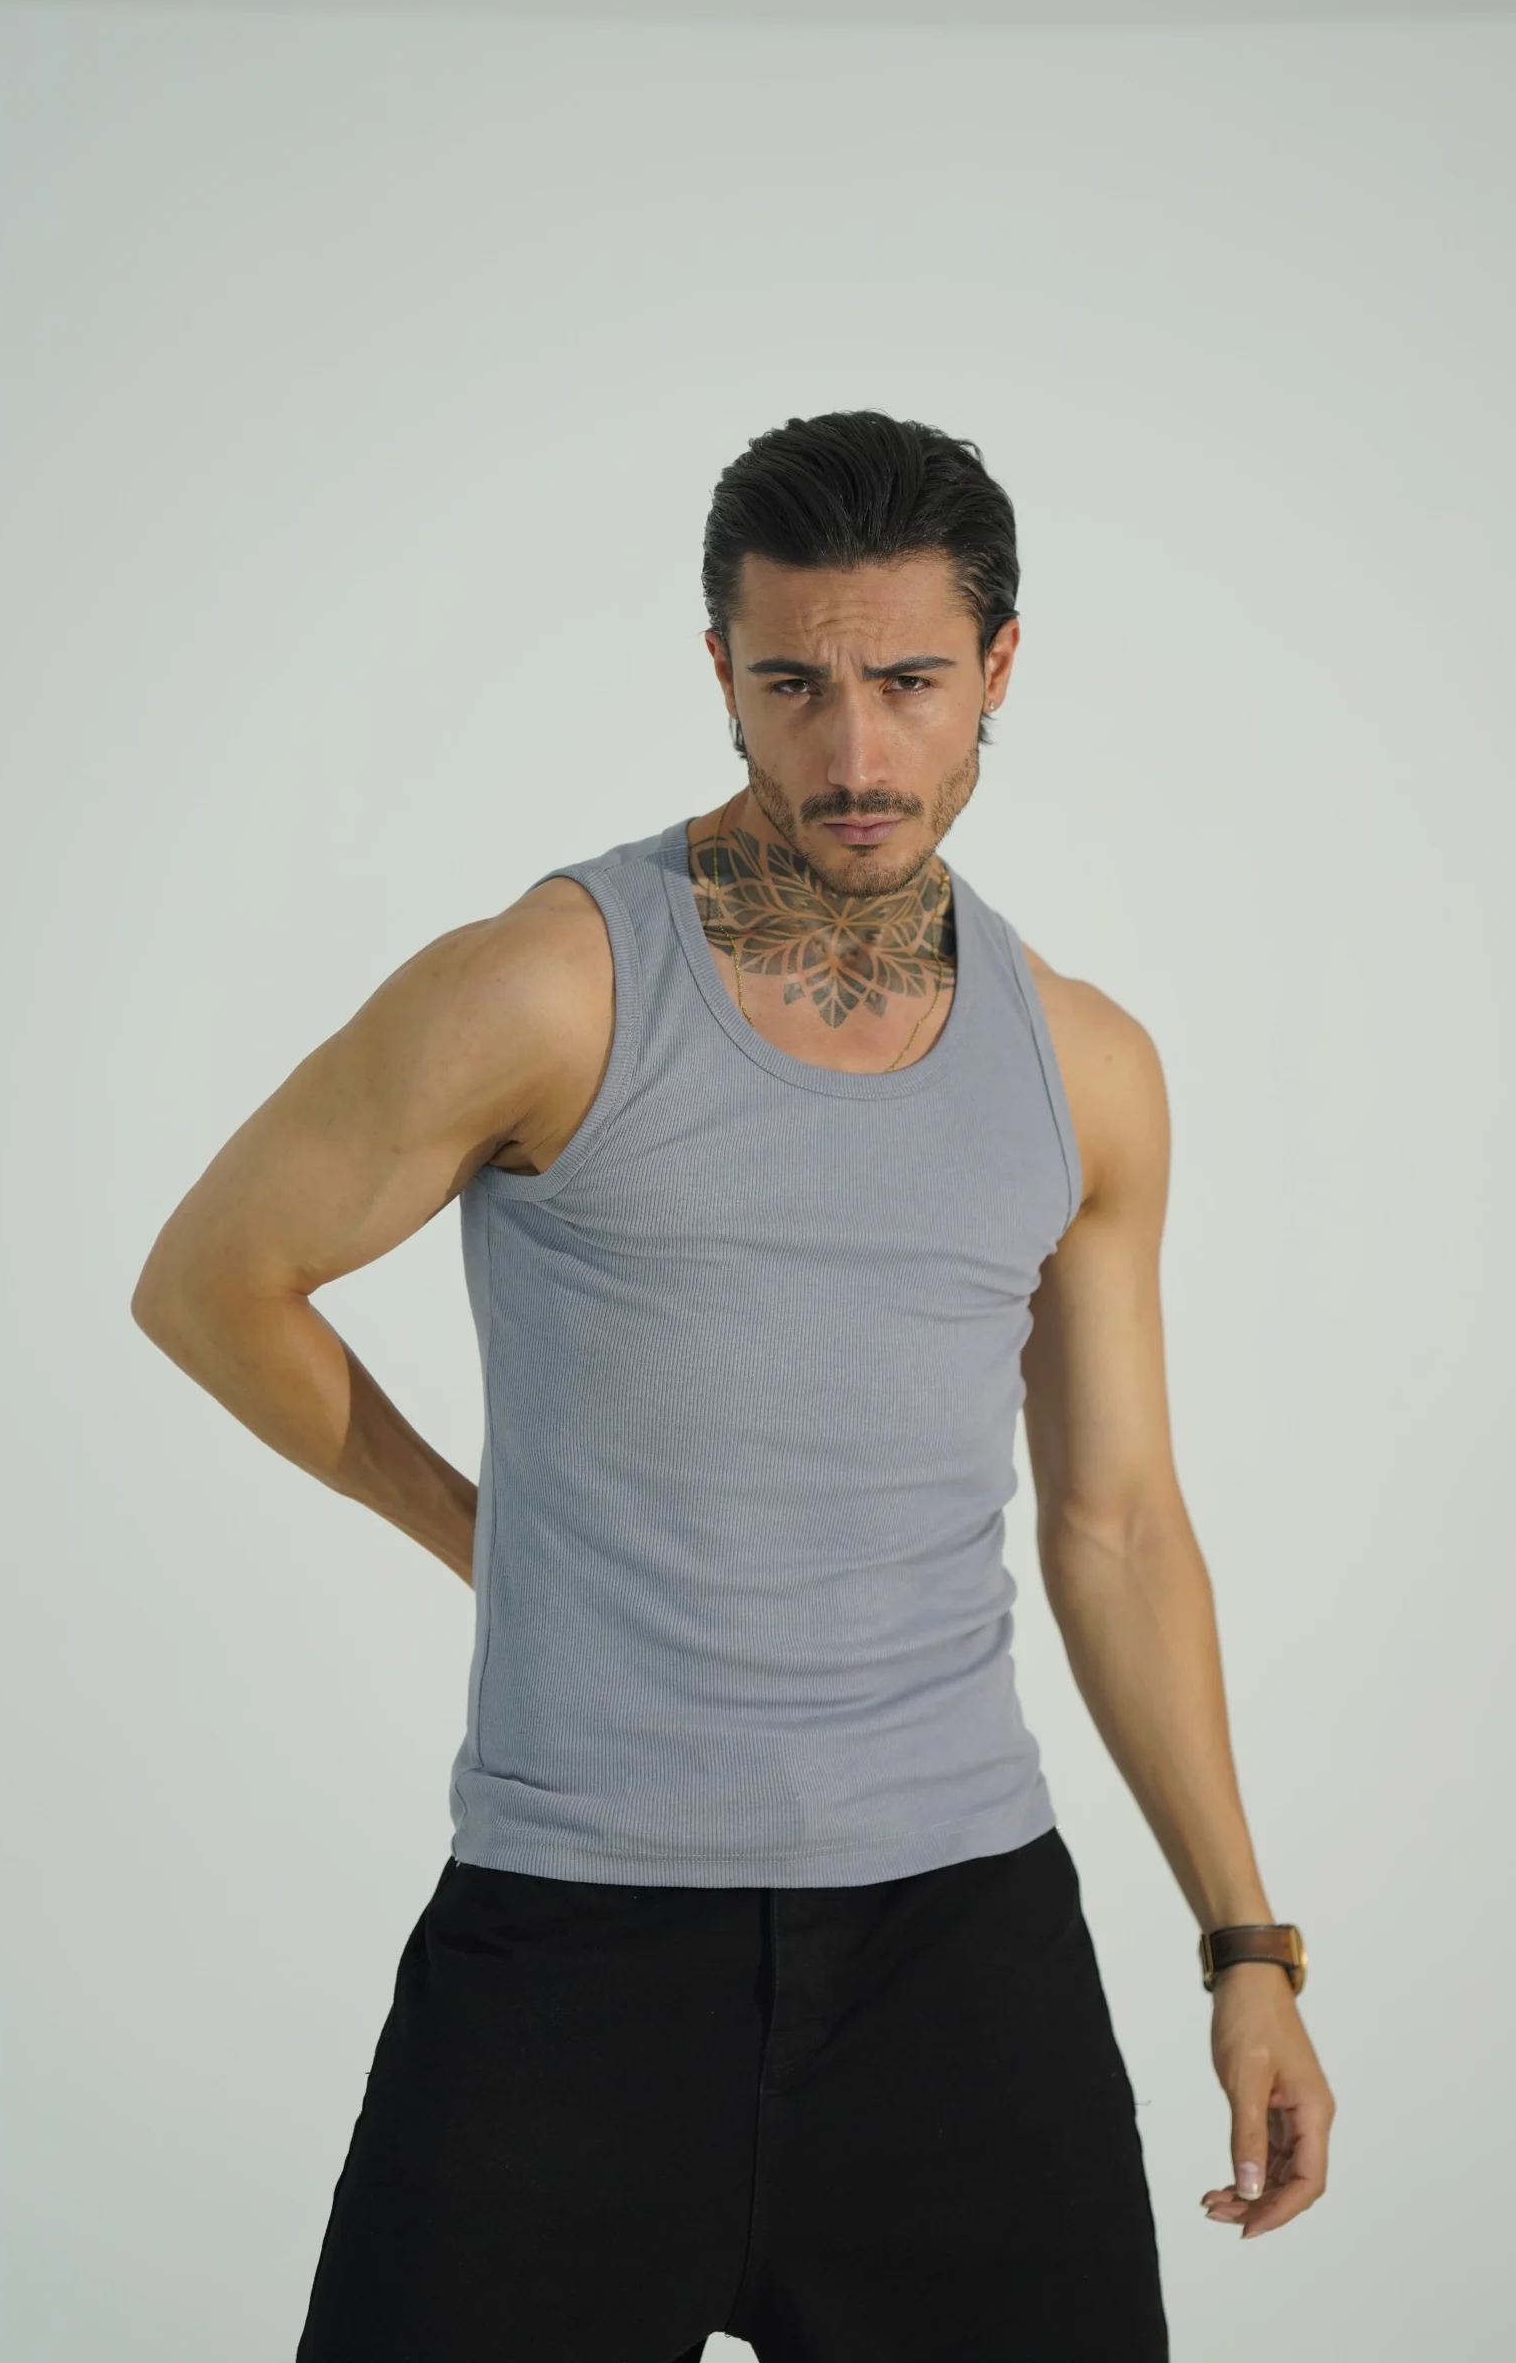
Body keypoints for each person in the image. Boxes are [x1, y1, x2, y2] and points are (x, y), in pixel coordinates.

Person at [132, 409, 1335, 2360]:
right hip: (573, 1947)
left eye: (907, 683)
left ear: (997, 669)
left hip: (963, 1960)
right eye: (792, 684)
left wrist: (1243, 1943)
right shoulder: (549, 987)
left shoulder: (1083, 1066)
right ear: (718, 669)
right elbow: (212, 1282)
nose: (852, 753)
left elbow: (1117, 1526)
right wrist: (484, 1533)